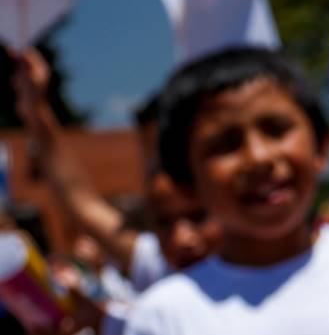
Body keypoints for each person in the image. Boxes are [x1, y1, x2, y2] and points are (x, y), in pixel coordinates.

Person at [123, 47, 329, 335]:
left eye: (276, 130)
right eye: (226, 144)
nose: (258, 158)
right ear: (186, 179)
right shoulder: (163, 316)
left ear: (322, 147)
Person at [9, 48, 223, 334]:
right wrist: (36, 109)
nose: (182, 238)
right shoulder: (157, 266)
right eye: (164, 223)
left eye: (198, 217)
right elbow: (80, 201)